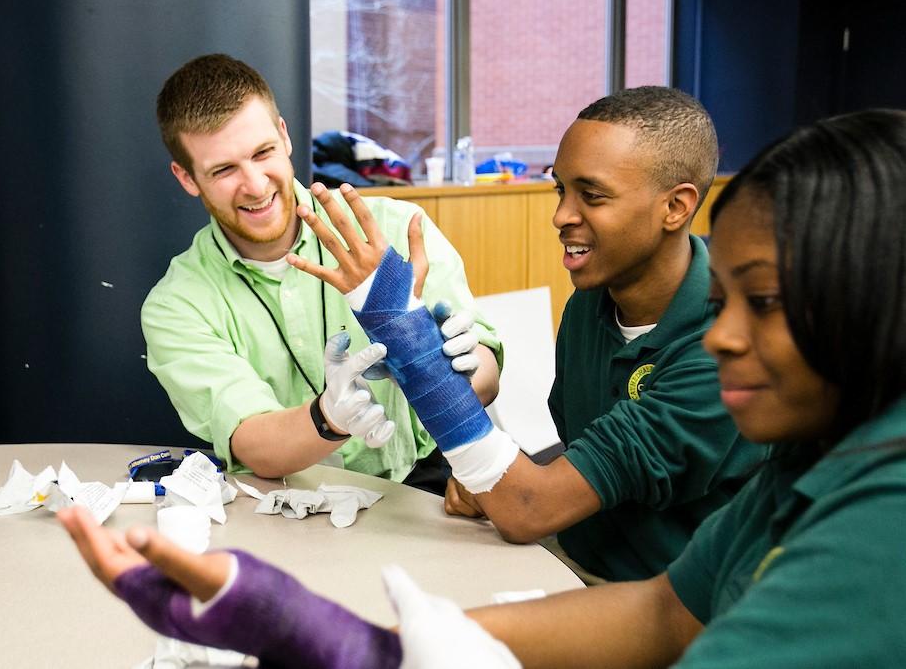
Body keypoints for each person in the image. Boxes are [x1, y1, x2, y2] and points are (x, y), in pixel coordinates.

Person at [63, 108, 906, 667]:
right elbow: (661, 611)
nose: (724, 334)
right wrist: (348, 644)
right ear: (188, 180)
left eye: (757, 302)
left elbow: (526, 477)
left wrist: (429, 354)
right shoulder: (783, 453)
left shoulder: (877, 526)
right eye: (220, 170)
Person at [295, 87, 760, 582]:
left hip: (673, 605)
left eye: (593, 195)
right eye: (561, 190)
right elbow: (579, 460)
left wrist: (421, 359)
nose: (561, 215)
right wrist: (496, 476)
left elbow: (529, 511)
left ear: (676, 207)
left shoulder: (723, 350)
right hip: (570, 557)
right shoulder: (590, 305)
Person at [142, 54, 501, 491]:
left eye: (262, 153)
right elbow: (253, 444)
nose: (255, 185)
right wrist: (328, 416)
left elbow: (486, 379)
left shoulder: (395, 228)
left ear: (284, 135)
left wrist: (451, 368)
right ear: (186, 177)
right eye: (224, 169)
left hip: (423, 483)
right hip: (284, 502)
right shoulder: (177, 303)